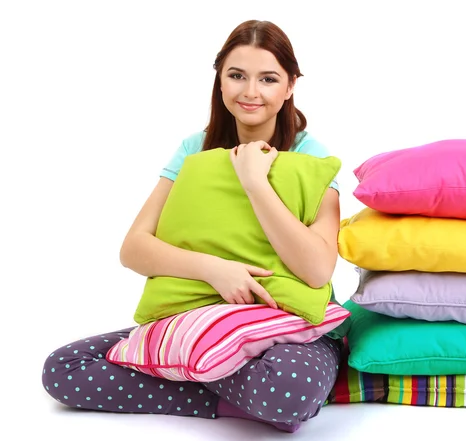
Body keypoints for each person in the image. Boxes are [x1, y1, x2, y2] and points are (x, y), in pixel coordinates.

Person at [41, 20, 343, 433]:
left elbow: (318, 270)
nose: (250, 91)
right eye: (237, 76)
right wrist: (216, 270)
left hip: (290, 324)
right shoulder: (193, 150)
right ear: (220, 80)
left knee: (288, 387)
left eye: (268, 79)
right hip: (199, 318)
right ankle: (240, 398)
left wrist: (256, 182)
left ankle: (202, 378)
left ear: (290, 86)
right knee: (64, 369)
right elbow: (134, 248)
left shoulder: (312, 155)